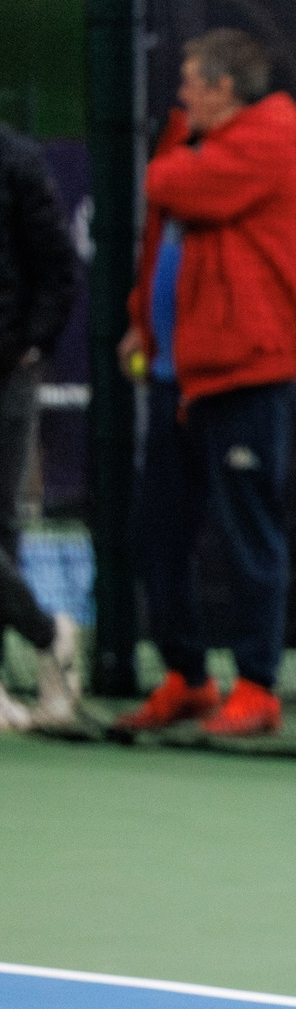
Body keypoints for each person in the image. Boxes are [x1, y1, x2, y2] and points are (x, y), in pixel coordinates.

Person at [114, 29, 296, 737]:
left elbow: (175, 187)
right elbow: (161, 242)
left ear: (225, 88)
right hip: (180, 373)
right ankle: (188, 678)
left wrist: (175, 158)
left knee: (247, 534)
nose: (181, 94)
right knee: (157, 533)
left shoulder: (271, 138)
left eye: (191, 82)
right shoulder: (200, 142)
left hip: (247, 370)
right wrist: (144, 324)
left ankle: (257, 687)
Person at [0, 119, 81, 730]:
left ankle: (41, 643)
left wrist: (33, 343)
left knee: (1, 524)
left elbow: (57, 265)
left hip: (6, 371)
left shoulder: (16, 160)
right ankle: (49, 635)